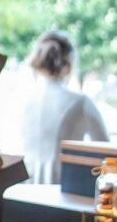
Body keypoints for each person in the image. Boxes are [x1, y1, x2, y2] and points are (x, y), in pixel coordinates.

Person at [17, 28, 106, 185]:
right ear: (70, 65)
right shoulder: (81, 102)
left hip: (23, 188)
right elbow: (105, 150)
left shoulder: (22, 99)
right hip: (64, 190)